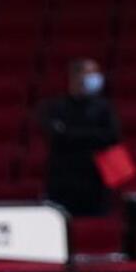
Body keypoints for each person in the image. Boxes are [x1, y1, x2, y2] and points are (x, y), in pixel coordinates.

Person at [39, 58, 122, 217]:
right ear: (76, 77)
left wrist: (71, 134)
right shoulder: (54, 107)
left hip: (96, 182)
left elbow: (111, 137)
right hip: (63, 181)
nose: (96, 78)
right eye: (90, 73)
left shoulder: (105, 108)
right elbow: (56, 137)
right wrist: (91, 135)